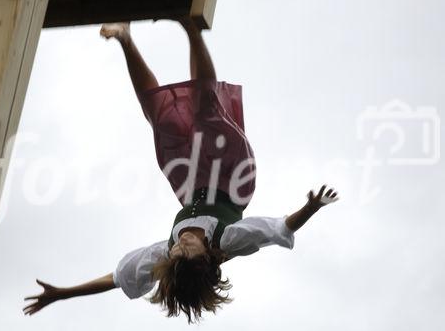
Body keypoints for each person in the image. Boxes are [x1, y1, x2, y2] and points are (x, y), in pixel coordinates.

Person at [23, 17, 339, 323]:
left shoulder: (167, 251)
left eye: (175, 253)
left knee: (163, 120)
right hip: (233, 176)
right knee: (206, 114)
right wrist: (310, 208)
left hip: (190, 184)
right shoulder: (228, 241)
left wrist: (63, 294)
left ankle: (125, 38)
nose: (179, 246)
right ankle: (191, 28)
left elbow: (118, 277)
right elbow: (277, 229)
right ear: (206, 256)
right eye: (186, 251)